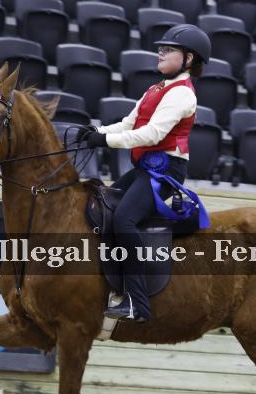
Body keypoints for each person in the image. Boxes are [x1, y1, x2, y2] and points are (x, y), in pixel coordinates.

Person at [77, 24, 211, 323]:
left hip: (165, 171)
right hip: (145, 168)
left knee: (124, 218)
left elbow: (152, 134)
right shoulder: (157, 88)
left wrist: (105, 141)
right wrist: (95, 132)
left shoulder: (182, 94)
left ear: (189, 59)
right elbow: (129, 123)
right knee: (103, 206)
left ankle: (137, 303)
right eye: (160, 48)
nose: (160, 53)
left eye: (168, 50)